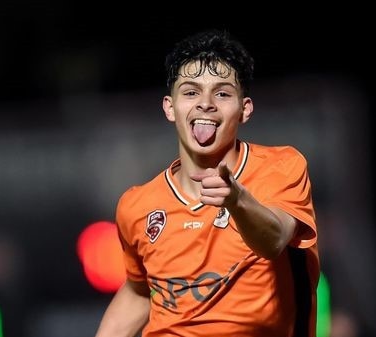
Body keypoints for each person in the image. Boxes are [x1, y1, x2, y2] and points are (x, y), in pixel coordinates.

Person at [94, 29, 320, 337]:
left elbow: (275, 240)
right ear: (169, 108)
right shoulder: (136, 205)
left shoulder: (281, 167)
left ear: (245, 109)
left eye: (223, 93)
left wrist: (237, 200)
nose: (206, 104)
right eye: (190, 92)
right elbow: (138, 291)